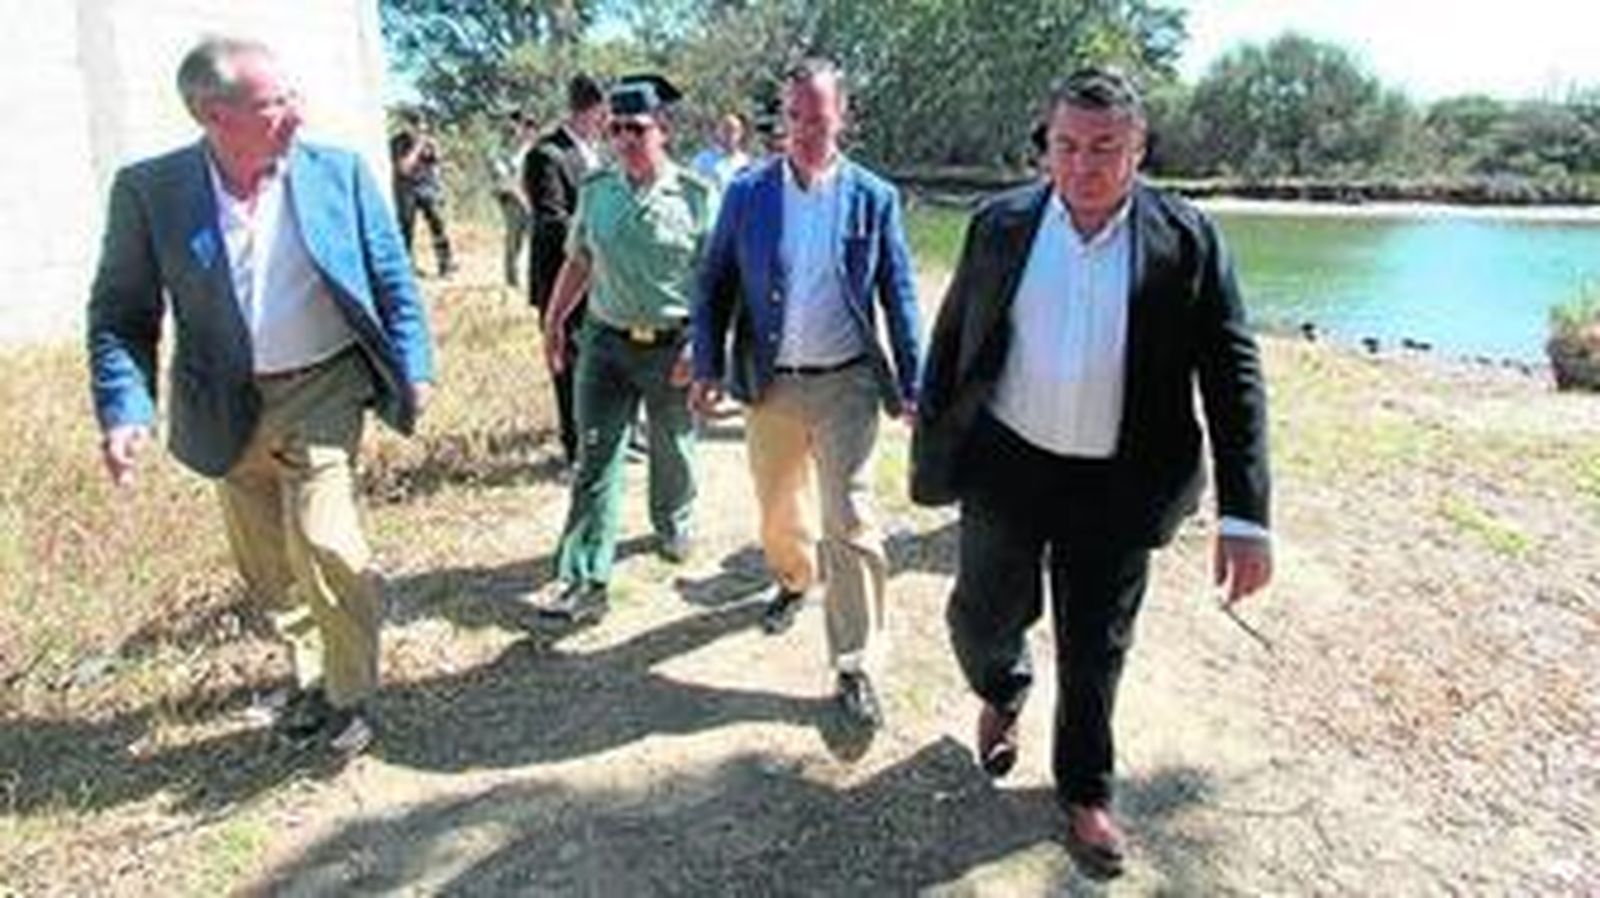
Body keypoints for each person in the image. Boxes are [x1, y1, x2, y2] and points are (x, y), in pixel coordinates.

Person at [911, 67, 1272, 879]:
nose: (1082, 164)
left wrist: (1246, 514)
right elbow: (957, 334)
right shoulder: (1000, 224)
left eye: (1105, 147)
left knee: (1096, 648)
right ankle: (1002, 688)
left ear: (1139, 148)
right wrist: (935, 445)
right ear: (1047, 145)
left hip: (1120, 479)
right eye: (1067, 145)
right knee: (981, 614)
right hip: (1008, 463)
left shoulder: (1187, 239)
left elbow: (1233, 372)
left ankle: (1084, 791)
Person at [86, 37, 435, 756]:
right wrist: (126, 410)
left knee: (327, 539)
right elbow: (122, 314)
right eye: (276, 102)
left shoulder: (335, 172)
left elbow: (393, 278)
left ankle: (349, 694)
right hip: (222, 399)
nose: (297, 114)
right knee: (269, 565)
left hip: (325, 385)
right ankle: (309, 673)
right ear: (213, 114)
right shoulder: (151, 192)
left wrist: (415, 364)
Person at [691, 59, 923, 731]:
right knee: (775, 509)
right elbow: (714, 285)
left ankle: (856, 663)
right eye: (795, 118)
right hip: (770, 383)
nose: (807, 131)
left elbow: (899, 294)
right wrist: (707, 363)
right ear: (782, 120)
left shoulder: (874, 197)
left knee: (849, 517)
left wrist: (913, 381)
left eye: (819, 118)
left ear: (841, 116)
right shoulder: (748, 192)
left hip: (847, 382)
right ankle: (793, 578)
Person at [527, 74, 718, 623]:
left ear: (663, 130)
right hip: (605, 345)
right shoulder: (597, 191)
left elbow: (715, 281)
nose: (625, 140)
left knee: (673, 447)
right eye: (615, 129)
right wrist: (556, 322)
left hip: (671, 348)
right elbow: (580, 260)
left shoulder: (698, 197)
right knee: (595, 458)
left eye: (636, 128)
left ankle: (673, 521)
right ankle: (583, 578)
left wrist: (703, 346)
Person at [525, 74, 607, 466]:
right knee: (567, 362)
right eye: (609, 112)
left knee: (599, 361)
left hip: (601, 280)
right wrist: (605, 236)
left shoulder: (598, 153)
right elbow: (551, 221)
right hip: (561, 275)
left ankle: (603, 436)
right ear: (595, 108)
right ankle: (576, 448)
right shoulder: (546, 155)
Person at [389, 110, 455, 277]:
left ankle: (445, 264)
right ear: (408, 126)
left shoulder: (427, 141)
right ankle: (406, 267)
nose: (421, 130)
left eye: (423, 126)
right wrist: (417, 147)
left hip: (426, 187)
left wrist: (437, 153)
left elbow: (435, 164)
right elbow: (403, 167)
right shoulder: (398, 142)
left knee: (438, 223)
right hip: (406, 189)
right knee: (406, 228)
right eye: (417, 126)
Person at [490, 110, 538, 288]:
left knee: (536, 241)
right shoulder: (505, 149)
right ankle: (512, 280)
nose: (525, 130)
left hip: (533, 199)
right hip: (513, 201)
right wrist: (520, 197)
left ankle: (534, 279)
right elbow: (506, 177)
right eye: (524, 126)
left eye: (530, 126)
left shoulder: (536, 148)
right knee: (514, 241)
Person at [690, 112, 750, 190]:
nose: (729, 134)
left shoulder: (745, 162)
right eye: (725, 129)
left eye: (734, 130)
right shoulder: (703, 159)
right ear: (718, 131)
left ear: (741, 134)